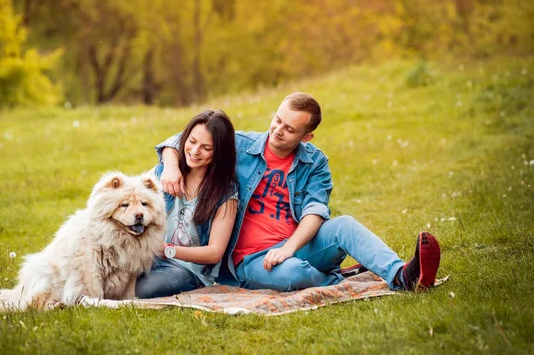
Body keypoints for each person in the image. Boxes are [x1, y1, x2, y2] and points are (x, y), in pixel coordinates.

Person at [157, 92, 440, 292]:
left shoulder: (315, 163)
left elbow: (316, 212)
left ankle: (402, 275)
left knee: (345, 226)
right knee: (293, 274)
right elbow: (186, 138)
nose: (277, 130)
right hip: (250, 258)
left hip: (297, 245)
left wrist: (288, 248)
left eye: (289, 128)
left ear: (306, 137)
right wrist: (171, 165)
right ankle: (340, 278)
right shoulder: (241, 145)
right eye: (277, 120)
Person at [134, 110, 238, 298]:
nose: (195, 151)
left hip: (188, 270)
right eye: (192, 141)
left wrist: (169, 250)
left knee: (143, 289)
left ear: (220, 152)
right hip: (149, 255)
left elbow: (215, 252)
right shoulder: (162, 173)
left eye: (207, 148)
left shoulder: (226, 193)